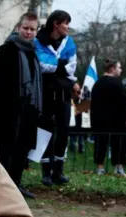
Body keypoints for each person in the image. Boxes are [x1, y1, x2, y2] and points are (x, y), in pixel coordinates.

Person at [0, 12, 42, 199]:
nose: (28, 32)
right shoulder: (6, 50)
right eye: (25, 28)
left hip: (28, 110)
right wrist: (5, 101)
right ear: (18, 28)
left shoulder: (33, 53)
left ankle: (16, 184)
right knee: (6, 149)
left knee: (22, 149)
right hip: (9, 110)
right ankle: (3, 187)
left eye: (32, 29)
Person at [35, 10, 77, 186]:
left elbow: (72, 67)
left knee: (63, 131)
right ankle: (46, 171)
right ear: (56, 24)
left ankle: (58, 170)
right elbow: (41, 64)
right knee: (45, 131)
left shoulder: (69, 42)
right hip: (46, 93)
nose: (68, 27)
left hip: (64, 94)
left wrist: (56, 66)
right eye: (65, 23)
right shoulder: (38, 41)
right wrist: (60, 65)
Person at [90, 59, 126, 176]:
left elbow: (93, 103)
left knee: (100, 143)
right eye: (119, 67)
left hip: (100, 119)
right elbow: (124, 102)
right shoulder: (117, 83)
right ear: (112, 69)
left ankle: (99, 167)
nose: (121, 70)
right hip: (116, 119)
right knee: (118, 143)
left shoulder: (97, 83)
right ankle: (118, 167)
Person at [69, 82, 85, 154]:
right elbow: (71, 102)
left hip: (80, 117)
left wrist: (82, 96)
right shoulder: (71, 94)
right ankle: (72, 148)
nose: (76, 86)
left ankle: (81, 148)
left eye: (77, 85)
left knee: (81, 133)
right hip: (73, 116)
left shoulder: (82, 94)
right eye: (75, 85)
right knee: (73, 132)